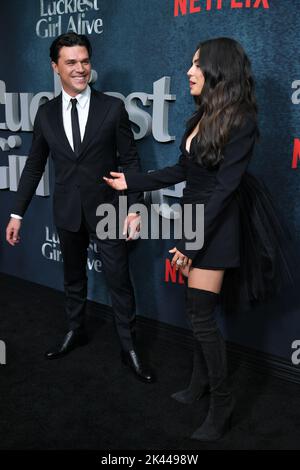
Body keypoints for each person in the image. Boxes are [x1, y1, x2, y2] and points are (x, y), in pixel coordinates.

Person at [104, 37, 293, 440]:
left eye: (196, 64)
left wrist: (189, 244)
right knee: (196, 311)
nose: (188, 71)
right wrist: (132, 181)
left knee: (202, 318)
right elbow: (181, 173)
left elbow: (225, 190)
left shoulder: (241, 120)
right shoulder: (200, 117)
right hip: (196, 218)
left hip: (217, 225)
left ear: (218, 69)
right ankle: (198, 383)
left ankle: (221, 406)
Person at [6, 32, 154, 384]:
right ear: (55, 67)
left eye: (85, 61)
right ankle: (76, 330)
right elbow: (33, 166)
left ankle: (128, 346)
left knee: (119, 281)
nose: (80, 68)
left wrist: (134, 207)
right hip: (67, 210)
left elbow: (131, 160)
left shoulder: (112, 107)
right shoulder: (45, 114)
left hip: (108, 210)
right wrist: (17, 214)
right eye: (71, 62)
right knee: (73, 278)